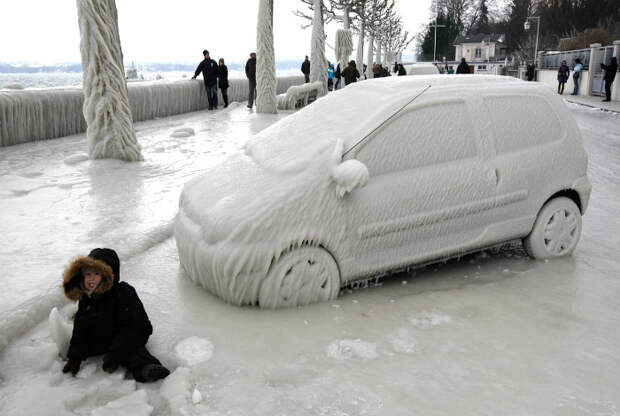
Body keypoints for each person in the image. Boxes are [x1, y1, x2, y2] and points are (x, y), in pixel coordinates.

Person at [61, 248, 170, 383]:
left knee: (133, 352)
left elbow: (135, 328)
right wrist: (75, 357)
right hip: (102, 338)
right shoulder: (86, 297)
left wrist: (115, 355)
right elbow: (81, 328)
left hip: (127, 336)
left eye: (97, 274)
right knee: (84, 343)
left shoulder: (123, 294)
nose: (91, 279)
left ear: (108, 275)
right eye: (88, 274)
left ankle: (147, 368)